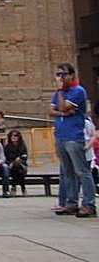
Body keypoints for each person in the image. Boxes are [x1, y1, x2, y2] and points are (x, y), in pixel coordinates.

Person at [51, 62, 96, 217]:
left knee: (82, 171)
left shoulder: (78, 91)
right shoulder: (59, 93)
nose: (60, 78)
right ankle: (71, 203)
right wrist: (63, 113)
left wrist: (60, 94)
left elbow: (62, 106)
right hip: (60, 135)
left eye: (63, 74)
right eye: (58, 75)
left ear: (71, 75)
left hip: (74, 136)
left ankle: (89, 204)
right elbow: (51, 110)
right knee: (67, 172)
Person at [4, 129, 29, 195]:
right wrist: (10, 163)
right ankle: (23, 188)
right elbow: (5, 158)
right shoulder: (7, 147)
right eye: (12, 136)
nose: (13, 137)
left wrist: (17, 160)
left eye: (15, 135)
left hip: (21, 165)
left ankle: (13, 187)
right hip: (10, 166)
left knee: (17, 167)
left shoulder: (22, 146)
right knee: (17, 170)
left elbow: (25, 156)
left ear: (19, 137)